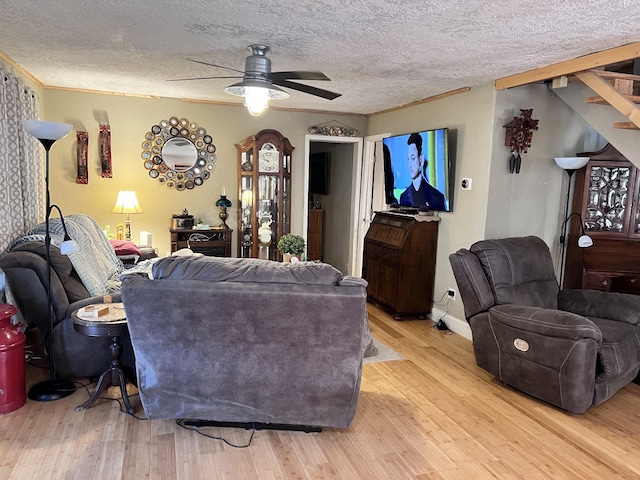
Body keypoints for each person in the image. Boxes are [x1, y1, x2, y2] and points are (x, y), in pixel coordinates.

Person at [399, 133, 446, 211]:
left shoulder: (437, 197)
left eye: (413, 158)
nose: (410, 165)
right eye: (408, 159)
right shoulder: (403, 197)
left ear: (421, 159)